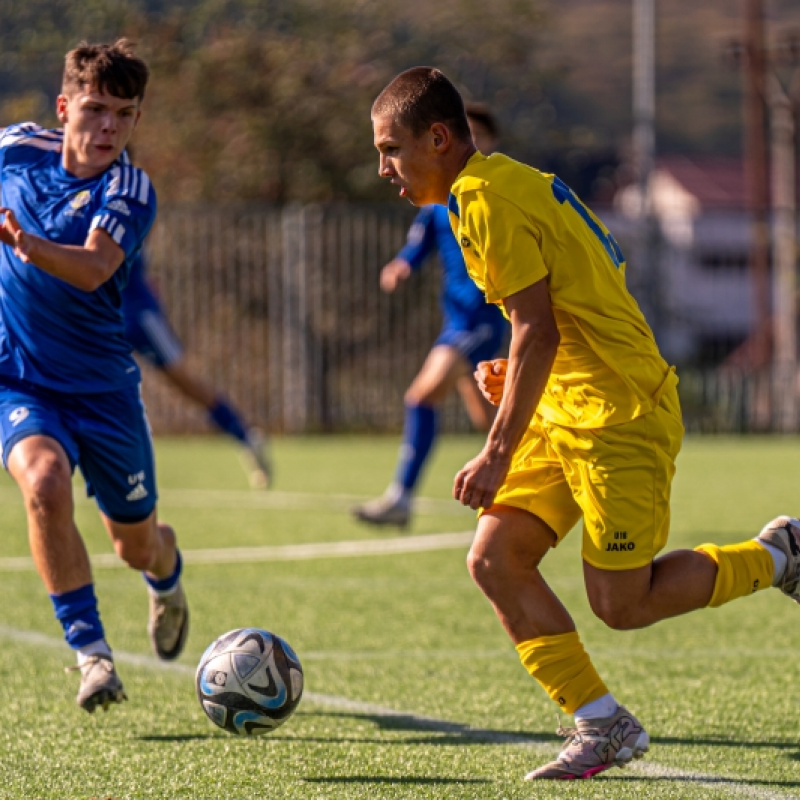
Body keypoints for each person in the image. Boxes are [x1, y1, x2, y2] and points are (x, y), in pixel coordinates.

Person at [371, 66, 799, 781]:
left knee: (622, 605)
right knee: (494, 559)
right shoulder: (498, 184)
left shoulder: (484, 200)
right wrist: (516, 380)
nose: (384, 168)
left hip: (618, 417)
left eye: (391, 149)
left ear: (438, 138)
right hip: (570, 404)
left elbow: (537, 327)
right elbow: (549, 311)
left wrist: (497, 451)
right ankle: (602, 723)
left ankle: (781, 556)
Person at [0, 40, 189, 714]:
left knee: (136, 546)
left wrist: (26, 245)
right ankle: (93, 657)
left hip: (105, 394)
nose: (109, 127)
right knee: (43, 484)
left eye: (125, 114)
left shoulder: (128, 188)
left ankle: (166, 578)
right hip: (18, 381)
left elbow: (91, 268)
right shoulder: (15, 149)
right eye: (96, 109)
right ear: (63, 108)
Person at [353, 103, 508, 529]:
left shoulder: (495, 196)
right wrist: (401, 265)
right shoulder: (437, 200)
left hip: (480, 320)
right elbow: (418, 244)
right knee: (489, 420)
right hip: (455, 320)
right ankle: (552, 483)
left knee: (421, 397)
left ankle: (400, 498)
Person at [122, 249, 272, 489]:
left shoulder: (119, 216)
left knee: (186, 383)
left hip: (140, 318)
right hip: (104, 319)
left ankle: (246, 437)